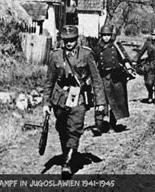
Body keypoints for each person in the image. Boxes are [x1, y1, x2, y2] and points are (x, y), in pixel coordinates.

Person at [43, 25, 105, 179]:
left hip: (79, 97)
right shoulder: (55, 56)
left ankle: (68, 164)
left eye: (71, 40)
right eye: (66, 40)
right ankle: (68, 152)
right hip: (60, 98)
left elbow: (97, 80)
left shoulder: (86, 54)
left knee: (75, 128)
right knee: (62, 128)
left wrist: (100, 102)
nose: (69, 43)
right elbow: (49, 81)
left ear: (77, 39)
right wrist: (46, 103)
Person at [91, 25, 129, 136]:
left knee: (115, 101)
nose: (106, 37)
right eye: (104, 35)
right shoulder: (97, 48)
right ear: (101, 36)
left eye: (108, 35)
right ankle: (98, 126)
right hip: (103, 77)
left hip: (115, 77)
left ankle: (113, 124)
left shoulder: (116, 46)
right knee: (100, 101)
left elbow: (125, 58)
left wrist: (128, 65)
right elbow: (92, 64)